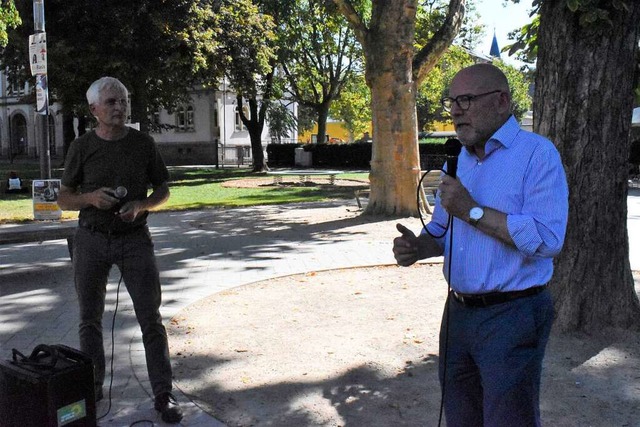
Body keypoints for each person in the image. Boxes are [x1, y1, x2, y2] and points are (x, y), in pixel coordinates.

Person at [393, 64, 568, 426]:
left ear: (502, 101)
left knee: (508, 419)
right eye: (452, 101)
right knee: (460, 415)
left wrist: (471, 210)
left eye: (467, 100)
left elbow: (549, 239)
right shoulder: (456, 162)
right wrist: (419, 247)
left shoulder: (537, 154)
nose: (456, 110)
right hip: (458, 313)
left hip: (513, 314)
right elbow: (443, 228)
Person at [57, 77, 183, 423]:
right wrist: (90, 198)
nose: (119, 108)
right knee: (89, 320)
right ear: (94, 109)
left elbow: (164, 190)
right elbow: (64, 197)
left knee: (150, 319)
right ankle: (93, 390)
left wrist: (142, 205)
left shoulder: (143, 143)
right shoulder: (81, 147)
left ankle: (163, 394)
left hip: (134, 240)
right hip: (91, 239)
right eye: (111, 102)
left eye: (123, 101)